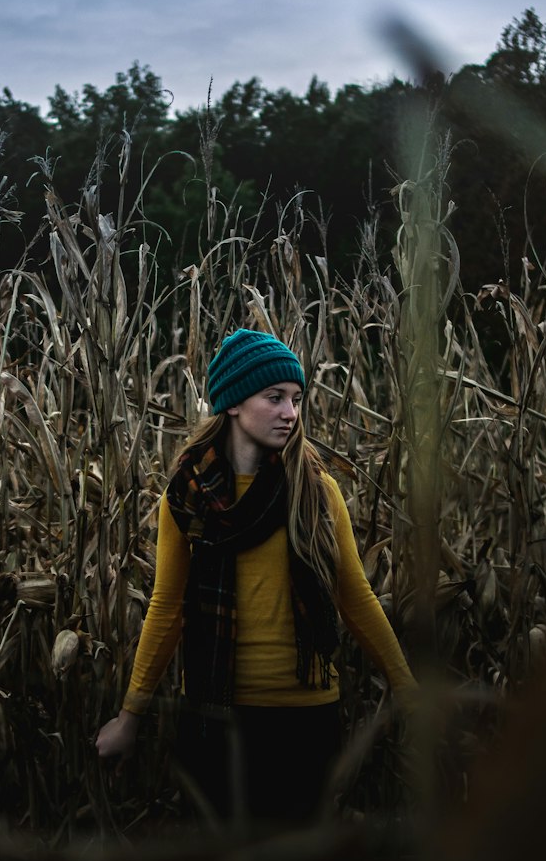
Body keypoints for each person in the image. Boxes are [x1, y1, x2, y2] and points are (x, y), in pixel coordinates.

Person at [95, 328, 415, 823]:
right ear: (232, 404)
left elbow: (357, 599)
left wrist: (408, 690)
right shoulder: (186, 497)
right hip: (215, 717)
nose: (291, 413)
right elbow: (167, 608)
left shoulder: (316, 492)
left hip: (307, 718)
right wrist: (130, 715)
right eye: (274, 398)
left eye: (295, 399)